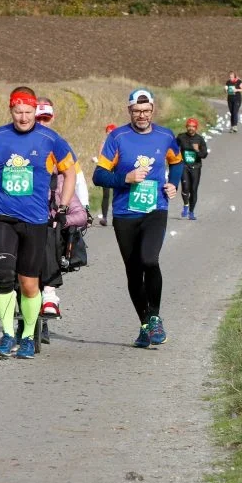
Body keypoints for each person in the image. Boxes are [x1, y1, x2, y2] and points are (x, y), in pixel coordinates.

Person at [0, 86, 77, 360]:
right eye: (18, 112)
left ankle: (28, 336)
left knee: (30, 284)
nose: (23, 117)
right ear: (11, 110)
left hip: (34, 220)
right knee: (4, 275)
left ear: (35, 111)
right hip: (2, 217)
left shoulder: (50, 139)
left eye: (28, 112)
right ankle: (8, 335)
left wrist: (63, 206)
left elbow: (70, 172)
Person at [92, 89, 183, 348]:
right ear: (129, 111)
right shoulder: (117, 137)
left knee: (149, 260)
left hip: (156, 210)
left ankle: (154, 318)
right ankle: (145, 325)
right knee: (133, 272)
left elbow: (176, 163)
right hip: (124, 213)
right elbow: (98, 176)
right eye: (137, 111)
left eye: (146, 111)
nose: (142, 115)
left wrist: (173, 184)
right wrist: (126, 178)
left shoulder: (165, 136)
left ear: (153, 110)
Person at [33, 96, 88, 318]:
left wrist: (65, 215)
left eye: (46, 118)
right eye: (39, 118)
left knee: (49, 232)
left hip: (50, 222)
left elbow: (77, 179)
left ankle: (49, 295)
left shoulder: (60, 146)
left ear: (52, 118)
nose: (42, 123)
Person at [176, 117, 208, 219]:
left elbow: (204, 155)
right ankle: (185, 205)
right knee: (185, 188)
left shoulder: (200, 139)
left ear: (196, 128)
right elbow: (174, 148)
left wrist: (197, 150)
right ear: (186, 127)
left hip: (196, 167)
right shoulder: (181, 137)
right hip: (184, 166)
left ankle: (191, 212)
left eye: (193, 127)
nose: (191, 128)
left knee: (193, 190)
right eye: (189, 126)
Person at [97, 123, 117, 226]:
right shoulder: (104, 143)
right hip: (106, 170)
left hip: (116, 170)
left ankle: (116, 217)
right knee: (106, 195)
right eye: (108, 132)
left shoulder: (118, 143)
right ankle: (104, 217)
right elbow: (100, 157)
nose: (109, 134)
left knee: (116, 193)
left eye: (111, 132)